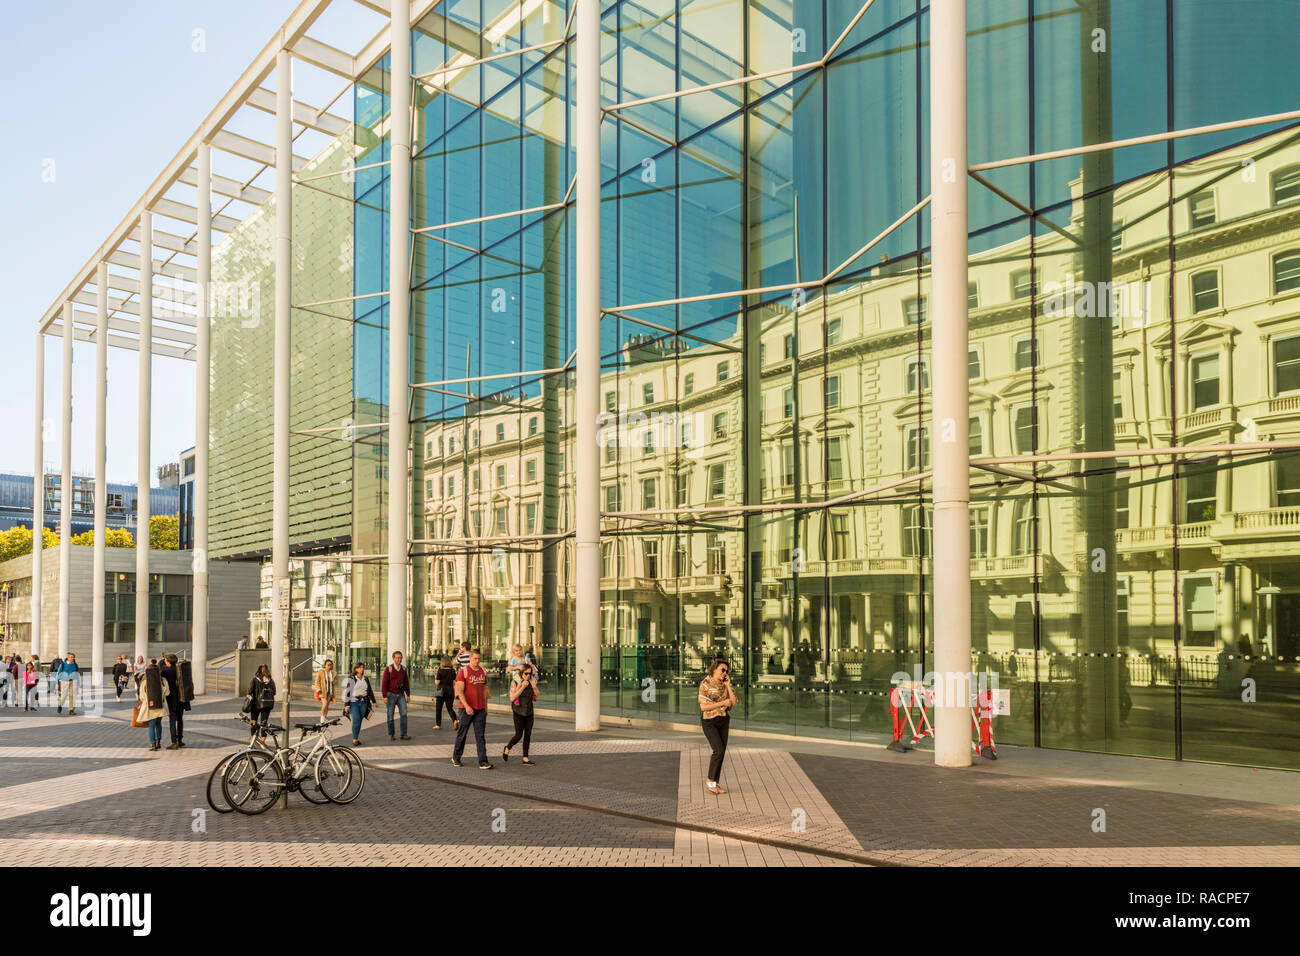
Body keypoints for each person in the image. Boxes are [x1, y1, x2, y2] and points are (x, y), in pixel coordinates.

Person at [698, 658, 737, 795]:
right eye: (722, 670)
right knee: (718, 751)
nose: (725, 673)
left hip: (723, 720)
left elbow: (733, 702)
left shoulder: (724, 684)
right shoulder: (705, 684)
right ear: (714, 669)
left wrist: (728, 686)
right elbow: (703, 707)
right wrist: (722, 703)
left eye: (726, 671)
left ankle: (715, 783)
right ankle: (710, 781)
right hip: (709, 721)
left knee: (721, 753)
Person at [452, 647, 492, 769]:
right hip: (466, 709)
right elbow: (459, 691)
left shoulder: (483, 671)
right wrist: (467, 706)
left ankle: (483, 761)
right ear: (470, 658)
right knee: (462, 734)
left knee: (480, 735)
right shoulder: (463, 671)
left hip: (480, 709)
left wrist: (486, 707)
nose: (477, 661)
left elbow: (485, 689)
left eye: (479, 659)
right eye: (475, 659)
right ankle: (456, 757)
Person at [503, 661, 539, 765]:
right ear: (521, 673)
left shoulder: (532, 681)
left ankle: (525, 758)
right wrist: (522, 686)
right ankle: (508, 747)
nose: (528, 675)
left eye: (530, 673)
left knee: (528, 735)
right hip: (518, 711)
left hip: (529, 711)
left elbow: (537, 695)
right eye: (526, 673)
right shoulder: (515, 682)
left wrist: (534, 686)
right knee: (518, 735)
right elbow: (512, 697)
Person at [136, 663, 169, 752]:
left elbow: (142, 697)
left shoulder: (144, 682)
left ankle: (153, 744)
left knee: (151, 725)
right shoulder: (163, 680)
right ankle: (159, 742)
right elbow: (167, 693)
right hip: (161, 706)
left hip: (149, 707)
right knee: (158, 724)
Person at [381, 651, 411, 741]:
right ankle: (391, 734)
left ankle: (404, 734)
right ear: (393, 658)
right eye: (397, 658)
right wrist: (384, 696)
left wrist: (408, 694)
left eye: (400, 658)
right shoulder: (389, 669)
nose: (399, 659)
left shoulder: (404, 669)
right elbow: (384, 683)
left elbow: (406, 683)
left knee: (404, 714)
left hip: (401, 695)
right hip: (391, 694)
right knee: (390, 715)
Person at [343, 663, 375, 746]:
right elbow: (348, 692)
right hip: (354, 702)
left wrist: (374, 701)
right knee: (356, 719)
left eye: (363, 667)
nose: (362, 669)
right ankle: (354, 739)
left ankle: (356, 737)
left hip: (364, 702)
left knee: (359, 720)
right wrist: (346, 705)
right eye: (360, 667)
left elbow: (370, 691)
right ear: (356, 669)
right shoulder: (352, 678)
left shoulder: (366, 679)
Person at [159, 655, 186, 749]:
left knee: (172, 720)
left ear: (168, 662)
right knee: (180, 719)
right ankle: (180, 740)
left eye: (165, 660)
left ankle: (174, 742)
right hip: (181, 697)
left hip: (172, 698)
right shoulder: (179, 669)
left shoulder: (166, 670)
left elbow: (160, 672)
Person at [247, 664, 276, 745]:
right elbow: (274, 692)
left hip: (256, 705)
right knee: (264, 723)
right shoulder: (271, 681)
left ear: (258, 670)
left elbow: (249, 691)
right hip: (267, 705)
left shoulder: (254, 680)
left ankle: (253, 741)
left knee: (253, 722)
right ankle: (262, 742)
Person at [433, 656, 458, 730]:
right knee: (450, 708)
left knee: (438, 709)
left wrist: (435, 678)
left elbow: (437, 682)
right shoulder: (452, 671)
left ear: (442, 662)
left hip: (441, 692)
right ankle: (455, 720)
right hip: (450, 691)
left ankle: (438, 725)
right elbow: (454, 682)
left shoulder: (440, 670)